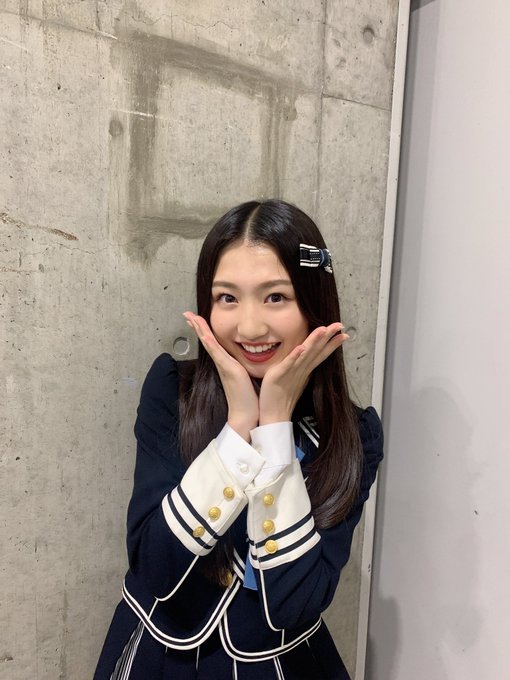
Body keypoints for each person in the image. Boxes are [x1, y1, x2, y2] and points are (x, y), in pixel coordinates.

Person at [94, 199, 384, 680]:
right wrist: (239, 428)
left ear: (314, 303)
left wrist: (274, 426)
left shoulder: (354, 435)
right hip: (158, 659)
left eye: (276, 297)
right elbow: (153, 570)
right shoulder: (172, 391)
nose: (249, 327)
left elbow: (294, 606)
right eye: (227, 298)